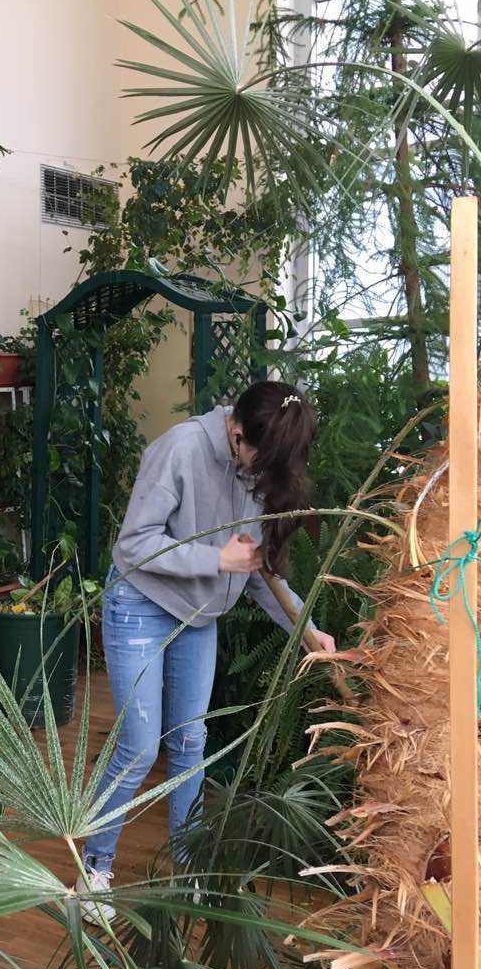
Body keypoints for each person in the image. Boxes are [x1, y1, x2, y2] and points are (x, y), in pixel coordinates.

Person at [77, 381, 336, 918]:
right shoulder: (181, 448)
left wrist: (306, 631)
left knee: (190, 743)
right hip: (142, 604)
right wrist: (214, 560)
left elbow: (259, 571)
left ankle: (188, 869)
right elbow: (134, 544)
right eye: (262, 461)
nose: (265, 476)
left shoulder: (260, 465)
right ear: (237, 434)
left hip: (198, 617)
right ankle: (93, 871)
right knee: (139, 748)